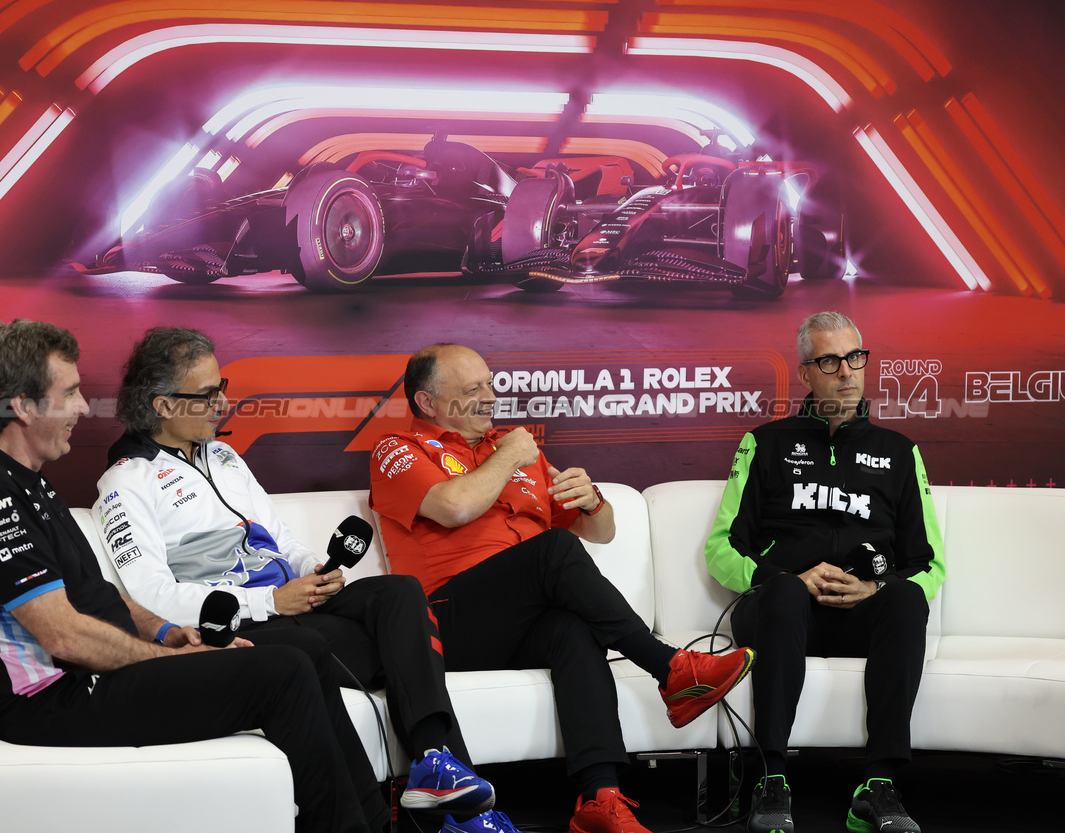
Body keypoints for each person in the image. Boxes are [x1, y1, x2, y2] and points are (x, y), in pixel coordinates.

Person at [0, 319, 387, 833]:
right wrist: (169, 656)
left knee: (307, 655)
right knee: (285, 673)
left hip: (99, 675)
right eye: (71, 393)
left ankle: (371, 824)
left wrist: (169, 632)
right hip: (53, 701)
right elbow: (61, 633)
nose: (84, 407)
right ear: (22, 406)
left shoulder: (26, 479)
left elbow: (97, 597)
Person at [95, 327, 514, 833]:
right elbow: (151, 597)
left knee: (399, 594)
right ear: (162, 405)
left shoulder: (225, 457)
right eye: (207, 394)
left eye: (221, 385)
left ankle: (434, 763)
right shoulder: (126, 480)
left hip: (298, 605)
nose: (222, 402)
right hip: (254, 627)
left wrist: (312, 571)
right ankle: (444, 820)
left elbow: (282, 538)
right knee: (380, 645)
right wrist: (269, 601)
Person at [368, 343, 756, 833]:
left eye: (491, 383)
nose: (491, 397)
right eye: (473, 389)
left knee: (573, 628)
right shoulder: (398, 450)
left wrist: (593, 502)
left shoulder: (513, 451)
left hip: (517, 620)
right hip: (446, 621)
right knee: (552, 550)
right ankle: (669, 667)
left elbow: (601, 532)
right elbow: (455, 507)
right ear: (427, 402)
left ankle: (600, 797)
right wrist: (509, 455)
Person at [703, 311, 945, 833]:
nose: (847, 372)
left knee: (906, 600)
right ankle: (771, 778)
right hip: (780, 610)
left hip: (860, 614)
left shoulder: (900, 453)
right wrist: (780, 579)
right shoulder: (764, 443)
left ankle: (879, 785)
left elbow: (928, 563)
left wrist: (876, 586)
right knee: (787, 593)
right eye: (830, 361)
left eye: (855, 357)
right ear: (806, 373)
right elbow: (722, 547)